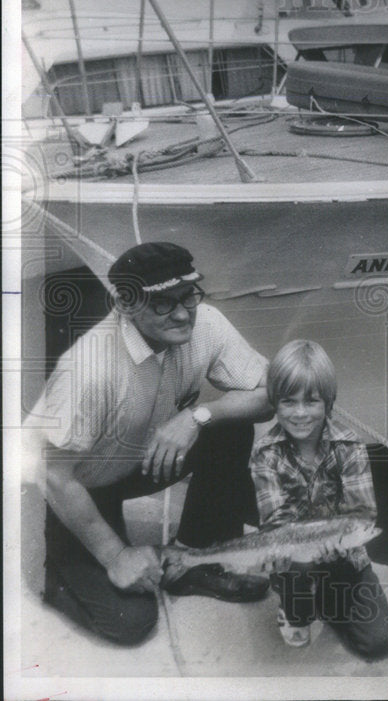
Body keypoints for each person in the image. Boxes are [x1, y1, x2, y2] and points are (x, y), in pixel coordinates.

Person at [27, 242, 273, 645]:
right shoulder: (90, 369)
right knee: (130, 621)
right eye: (161, 303)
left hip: (140, 460)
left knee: (229, 425)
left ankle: (193, 561)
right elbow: (53, 474)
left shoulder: (206, 323)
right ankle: (55, 574)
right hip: (78, 486)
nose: (181, 313)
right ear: (126, 305)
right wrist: (115, 556)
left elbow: (268, 395)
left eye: (188, 296)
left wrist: (196, 416)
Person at [250, 339, 388, 658]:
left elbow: (362, 515)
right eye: (288, 402)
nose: (300, 413)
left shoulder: (350, 446)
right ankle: (296, 608)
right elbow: (276, 523)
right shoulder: (265, 454)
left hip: (347, 558)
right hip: (293, 563)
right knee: (298, 573)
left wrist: (337, 543)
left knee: (380, 643)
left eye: (312, 401)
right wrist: (283, 554)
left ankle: (329, 601)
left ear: (328, 402)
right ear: (275, 403)